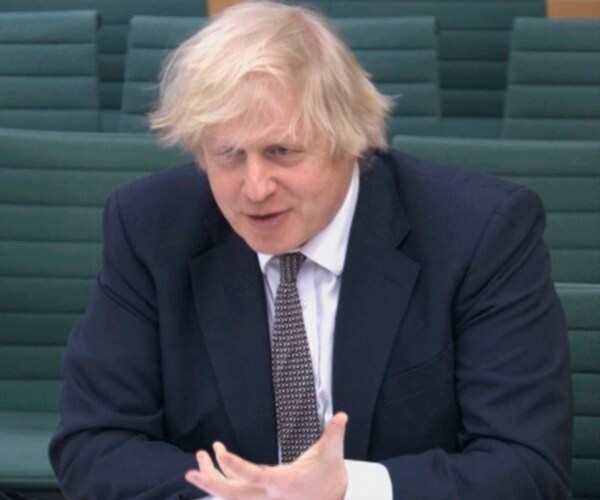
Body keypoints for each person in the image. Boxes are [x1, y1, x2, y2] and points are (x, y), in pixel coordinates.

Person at [49, 2, 572, 498]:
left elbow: (526, 467)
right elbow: (94, 442)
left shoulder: (480, 233)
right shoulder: (150, 228)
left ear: (349, 138)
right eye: (228, 154)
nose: (255, 187)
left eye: (282, 151)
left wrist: (347, 490)